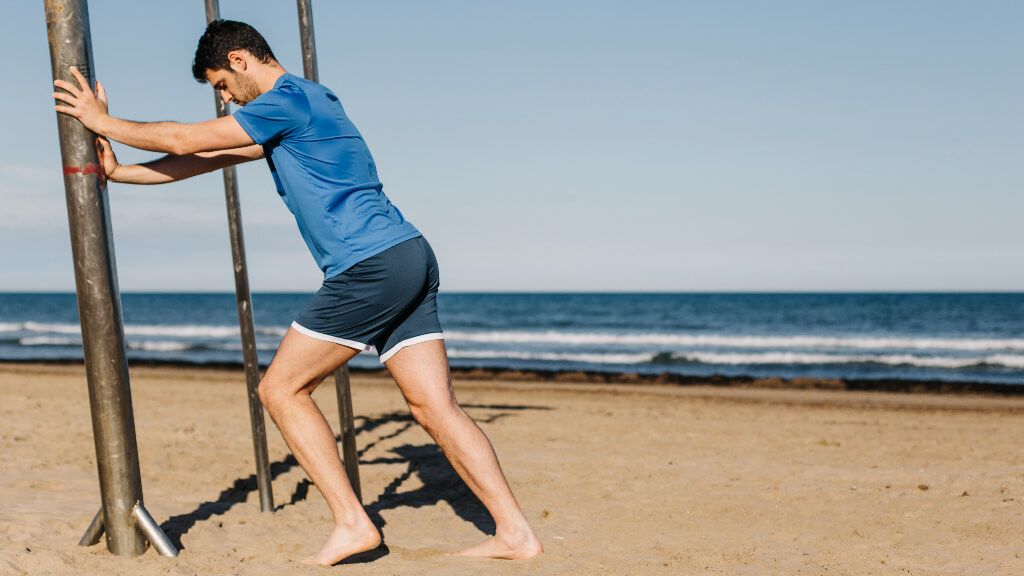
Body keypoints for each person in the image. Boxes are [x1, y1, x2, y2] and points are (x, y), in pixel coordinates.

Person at [52, 19, 542, 567]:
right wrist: (121, 174)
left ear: (240, 61)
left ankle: (354, 523)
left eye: (220, 83)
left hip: (371, 264)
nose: (223, 98)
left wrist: (101, 120)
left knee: (280, 390)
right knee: (434, 407)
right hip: (407, 254)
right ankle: (516, 533)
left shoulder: (289, 99)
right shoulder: (294, 111)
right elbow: (202, 159)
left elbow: (184, 138)